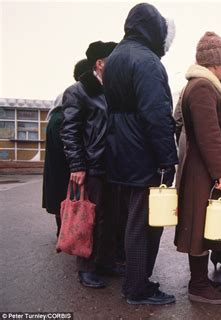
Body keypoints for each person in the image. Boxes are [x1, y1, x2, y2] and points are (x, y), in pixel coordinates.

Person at [102, 3, 178, 306]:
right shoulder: (147, 61)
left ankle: (135, 282)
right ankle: (137, 288)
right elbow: (156, 115)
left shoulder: (117, 57)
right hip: (143, 152)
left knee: (132, 219)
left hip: (120, 149)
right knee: (145, 224)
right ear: (152, 28)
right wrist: (167, 158)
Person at [174, 32, 221, 304]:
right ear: (214, 63)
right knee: (201, 227)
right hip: (204, 172)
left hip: (203, 169)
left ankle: (202, 282)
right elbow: (209, 134)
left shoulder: (201, 84)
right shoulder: (203, 87)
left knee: (205, 226)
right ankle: (198, 286)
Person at [60, 41, 118, 289]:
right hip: (91, 165)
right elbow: (69, 131)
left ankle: (104, 262)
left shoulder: (114, 89)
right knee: (87, 217)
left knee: (109, 217)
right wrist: (77, 165)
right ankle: (85, 267)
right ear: (100, 63)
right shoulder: (78, 91)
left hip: (113, 164)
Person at [42, 59, 90, 237]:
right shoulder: (78, 92)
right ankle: (67, 232)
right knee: (66, 188)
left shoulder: (64, 93)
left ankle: (63, 229)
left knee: (59, 187)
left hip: (56, 131)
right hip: (64, 136)